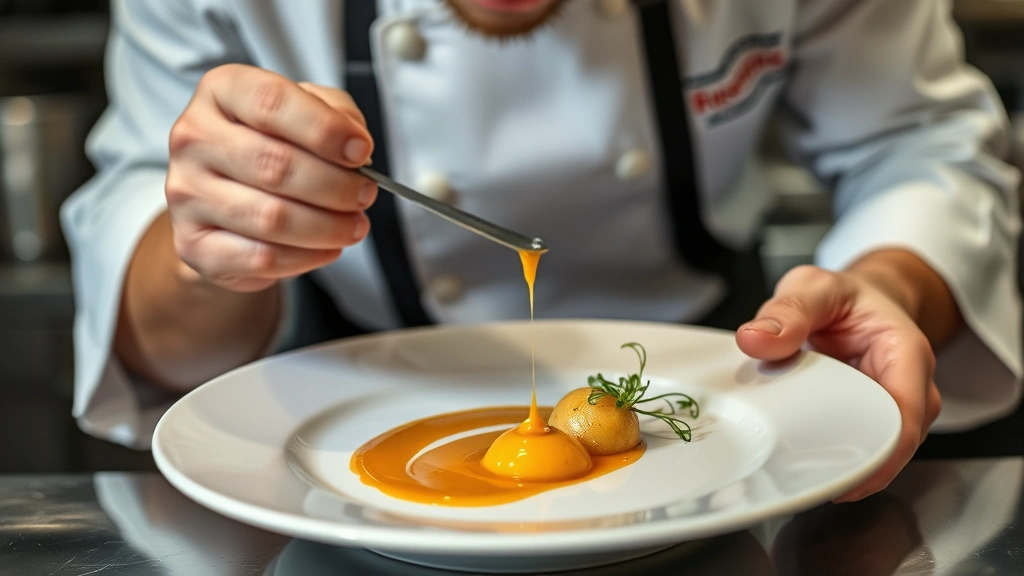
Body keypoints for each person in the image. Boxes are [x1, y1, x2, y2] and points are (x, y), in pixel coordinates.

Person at [61, 0, 1022, 503]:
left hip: (728, 403)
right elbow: (158, 340)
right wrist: (215, 249)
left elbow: (920, 145)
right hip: (333, 420)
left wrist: (889, 285)